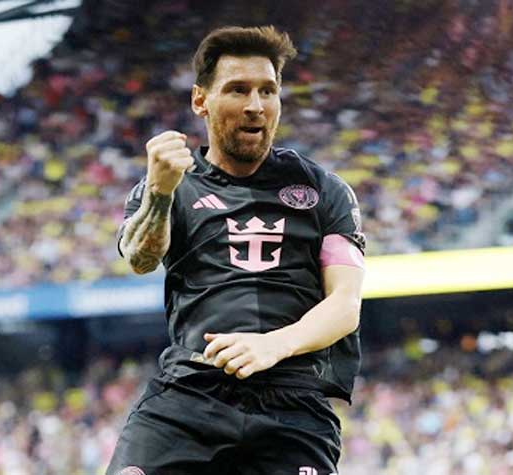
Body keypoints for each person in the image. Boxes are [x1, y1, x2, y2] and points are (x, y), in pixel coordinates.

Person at [110, 25, 366, 475]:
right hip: (190, 393)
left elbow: (345, 304)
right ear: (200, 100)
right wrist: (160, 193)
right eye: (238, 89)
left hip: (293, 403)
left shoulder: (324, 190)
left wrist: (274, 345)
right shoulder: (170, 186)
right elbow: (140, 259)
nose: (255, 105)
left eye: (268, 91)